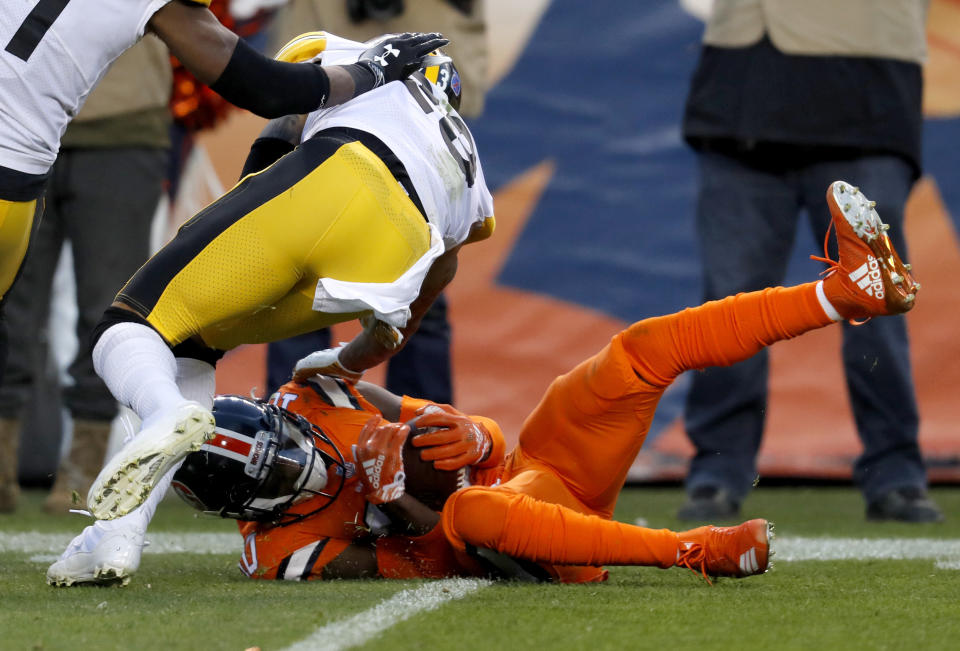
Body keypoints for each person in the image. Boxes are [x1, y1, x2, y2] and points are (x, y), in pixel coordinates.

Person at [82, 181, 921, 586]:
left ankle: (845, 291)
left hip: (537, 475)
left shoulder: (314, 394)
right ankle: (695, 550)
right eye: (280, 475)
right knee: (472, 508)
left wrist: (472, 437)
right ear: (250, 509)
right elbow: (446, 555)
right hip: (520, 545)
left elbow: (446, 426)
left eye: (285, 443)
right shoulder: (284, 555)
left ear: (274, 413)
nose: (301, 461)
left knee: (634, 353)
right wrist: (400, 503)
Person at [46, 33, 494, 586]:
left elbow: (281, 116)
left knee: (131, 325)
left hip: (338, 176)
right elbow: (416, 305)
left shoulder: (349, 52)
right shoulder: (471, 172)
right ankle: (115, 537)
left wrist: (239, 243)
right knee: (190, 346)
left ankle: (164, 414)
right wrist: (348, 363)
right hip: (391, 258)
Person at [0, 0, 447, 383]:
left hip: (23, 159)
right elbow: (265, 88)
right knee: (135, 320)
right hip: (13, 167)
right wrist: (372, 70)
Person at [678, 0, 942, 523]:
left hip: (866, 85)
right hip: (744, 87)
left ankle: (896, 473)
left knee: (876, 302)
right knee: (730, 304)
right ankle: (717, 472)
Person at [264, 0, 491, 403]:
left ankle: (424, 442)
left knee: (423, 274)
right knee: (299, 266)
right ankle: (290, 431)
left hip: (425, 48)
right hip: (325, 48)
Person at [0, 38, 173, 514]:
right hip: (17, 121)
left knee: (107, 305)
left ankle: (84, 466)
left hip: (122, 125)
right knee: (7, 297)